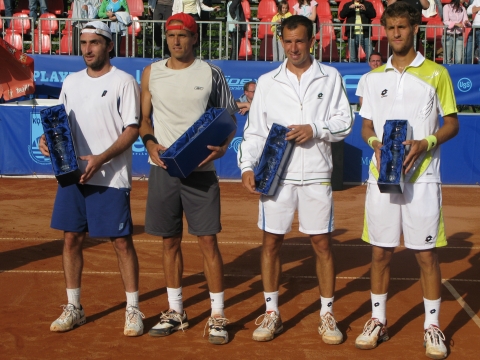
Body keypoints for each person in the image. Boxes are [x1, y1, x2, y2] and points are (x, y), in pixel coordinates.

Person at [238, 15, 353, 344]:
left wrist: (314, 129)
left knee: (322, 245)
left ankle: (327, 314)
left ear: (312, 40)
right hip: (276, 176)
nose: (293, 48)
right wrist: (247, 166)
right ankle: (272, 312)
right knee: (271, 243)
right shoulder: (268, 81)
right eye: (287, 42)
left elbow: (344, 122)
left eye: (299, 41)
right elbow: (255, 130)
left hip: (317, 175)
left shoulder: (330, 77)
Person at [355, 3, 459, 359]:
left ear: (414, 28)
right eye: (391, 27)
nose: (396, 33)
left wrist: (426, 142)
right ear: (385, 30)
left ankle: (432, 327)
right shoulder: (372, 79)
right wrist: (375, 145)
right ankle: (378, 320)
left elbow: (451, 123)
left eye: (402, 27)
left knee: (426, 255)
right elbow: (366, 126)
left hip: (424, 179)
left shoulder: (436, 74)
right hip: (381, 178)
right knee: (380, 252)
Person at [38, 21, 143, 337]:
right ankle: (75, 307)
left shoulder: (124, 82)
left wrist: (100, 159)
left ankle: (133, 309)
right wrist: (48, 142)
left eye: (94, 43)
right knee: (71, 238)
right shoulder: (70, 82)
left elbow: (132, 129)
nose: (87, 49)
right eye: (83, 43)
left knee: (121, 243)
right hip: (73, 176)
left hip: (110, 177)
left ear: (109, 45)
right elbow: (61, 127)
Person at [139, 13, 237, 345]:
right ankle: (176, 310)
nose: (176, 41)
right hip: (163, 170)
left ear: (194, 38)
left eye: (183, 35)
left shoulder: (212, 73)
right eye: (171, 36)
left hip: (201, 173)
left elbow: (230, 119)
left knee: (208, 242)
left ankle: (218, 313)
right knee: (169, 241)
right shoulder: (151, 73)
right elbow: (144, 122)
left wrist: (222, 148)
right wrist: (150, 144)